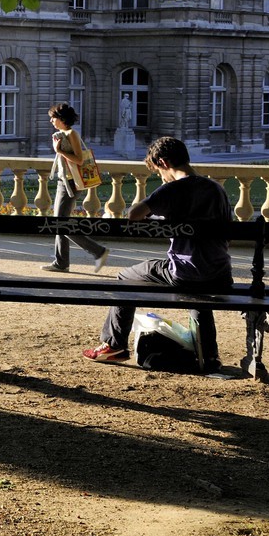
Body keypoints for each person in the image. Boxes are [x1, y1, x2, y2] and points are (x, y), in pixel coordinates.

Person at [84, 136, 233, 369]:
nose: (161, 176)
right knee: (198, 289)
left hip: (184, 273)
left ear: (163, 163)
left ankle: (114, 345)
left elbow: (134, 214)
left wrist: (163, 190)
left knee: (125, 277)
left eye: (158, 171)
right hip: (220, 273)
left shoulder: (173, 189)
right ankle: (209, 355)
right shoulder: (216, 189)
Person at [43, 102, 108, 272]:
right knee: (60, 222)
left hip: (71, 183)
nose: (51, 121)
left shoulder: (72, 133)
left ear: (61, 119)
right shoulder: (62, 134)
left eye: (53, 118)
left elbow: (79, 159)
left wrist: (59, 151)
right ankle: (62, 262)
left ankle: (97, 251)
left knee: (60, 223)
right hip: (64, 181)